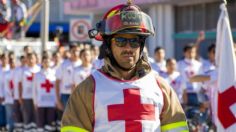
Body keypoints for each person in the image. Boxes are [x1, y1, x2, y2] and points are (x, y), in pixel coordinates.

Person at [61, 1, 188, 132]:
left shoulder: (162, 88)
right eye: (120, 41)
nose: (128, 48)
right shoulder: (87, 90)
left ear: (141, 46)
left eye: (134, 41)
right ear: (108, 46)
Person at [33, 55, 56, 132]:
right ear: (42, 63)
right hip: (41, 102)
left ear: (51, 62)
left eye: (48, 61)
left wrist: (56, 101)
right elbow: (34, 90)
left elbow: (57, 88)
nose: (46, 63)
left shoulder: (54, 73)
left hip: (51, 102)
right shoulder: (37, 75)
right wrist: (35, 102)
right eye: (44, 61)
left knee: (50, 123)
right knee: (40, 123)